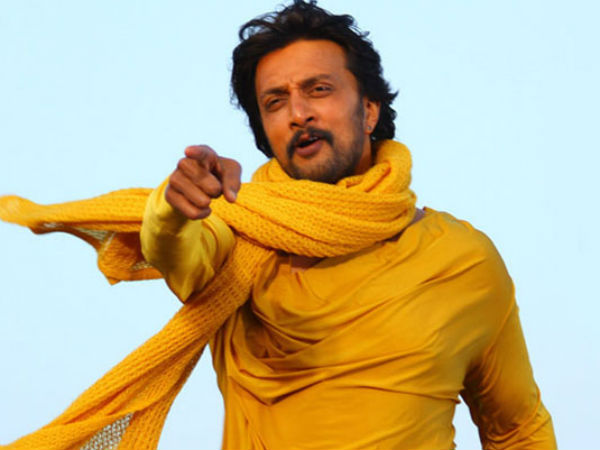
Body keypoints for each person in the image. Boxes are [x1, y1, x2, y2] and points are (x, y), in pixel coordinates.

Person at [138, 1, 556, 449]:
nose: (298, 113)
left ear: (370, 110)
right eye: (275, 102)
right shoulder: (236, 238)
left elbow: (518, 430)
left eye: (318, 89)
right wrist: (175, 207)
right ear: (265, 131)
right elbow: (172, 249)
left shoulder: (463, 260)